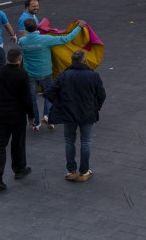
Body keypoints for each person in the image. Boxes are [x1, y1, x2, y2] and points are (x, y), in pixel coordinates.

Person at [43, 49, 106, 182]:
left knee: (69, 141)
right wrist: (97, 106)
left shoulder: (64, 75)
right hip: (87, 113)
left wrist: (60, 103)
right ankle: (84, 172)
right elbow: (101, 95)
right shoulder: (93, 75)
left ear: (71, 60)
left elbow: (49, 92)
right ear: (84, 60)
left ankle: (71, 171)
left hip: (69, 113)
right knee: (86, 142)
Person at [19, 18, 85, 131]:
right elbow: (66, 39)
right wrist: (79, 27)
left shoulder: (22, 41)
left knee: (32, 98)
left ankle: (36, 122)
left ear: (25, 29)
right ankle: (47, 115)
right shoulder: (45, 39)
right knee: (50, 94)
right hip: (45, 72)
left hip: (30, 74)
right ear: (36, 27)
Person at [0, 46, 34, 191]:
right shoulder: (22, 75)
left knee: (0, 145)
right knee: (17, 142)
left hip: (0, 114)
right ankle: (19, 168)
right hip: (17, 115)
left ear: (8, 58)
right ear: (19, 60)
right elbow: (27, 97)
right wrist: (30, 115)